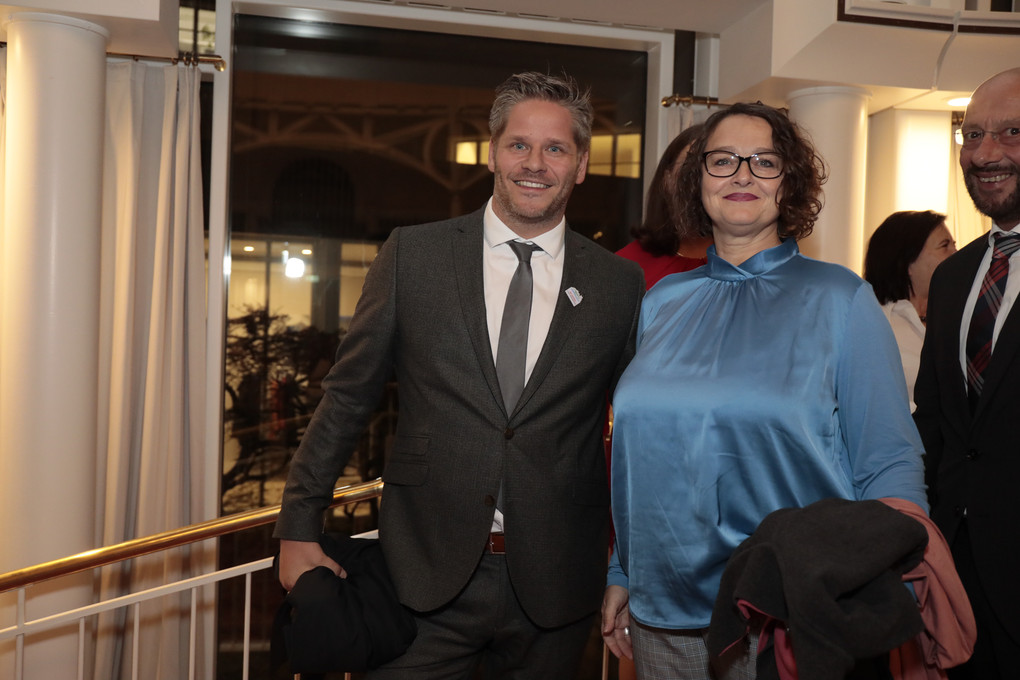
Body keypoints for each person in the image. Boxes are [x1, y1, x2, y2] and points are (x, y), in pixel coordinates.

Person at [272, 71, 645, 679]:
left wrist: (629, 566)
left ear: (580, 165)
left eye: (555, 148)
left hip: (556, 589)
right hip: (420, 580)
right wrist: (297, 528)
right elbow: (347, 398)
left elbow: (636, 437)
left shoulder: (619, 284)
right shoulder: (413, 256)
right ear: (492, 152)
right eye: (519, 144)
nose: (535, 163)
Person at [600, 102, 928, 679]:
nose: (743, 174)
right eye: (723, 160)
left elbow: (889, 458)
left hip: (788, 614)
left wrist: (895, 585)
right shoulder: (661, 302)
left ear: (789, 182)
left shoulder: (841, 299)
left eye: (764, 161)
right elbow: (641, 458)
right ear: (697, 180)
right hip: (662, 613)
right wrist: (622, 572)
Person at [913, 67, 1020, 680]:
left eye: (1011, 132)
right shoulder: (954, 278)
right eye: (973, 134)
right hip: (957, 579)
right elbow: (936, 424)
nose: (985, 153)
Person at [864, 210, 957, 409]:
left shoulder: (958, 316)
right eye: (944, 246)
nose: (956, 253)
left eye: (954, 244)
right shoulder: (876, 325)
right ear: (907, 262)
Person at [617, 124, 712, 287]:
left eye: (716, 165)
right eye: (689, 166)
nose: (700, 179)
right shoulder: (626, 267)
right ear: (667, 180)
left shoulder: (752, 264)